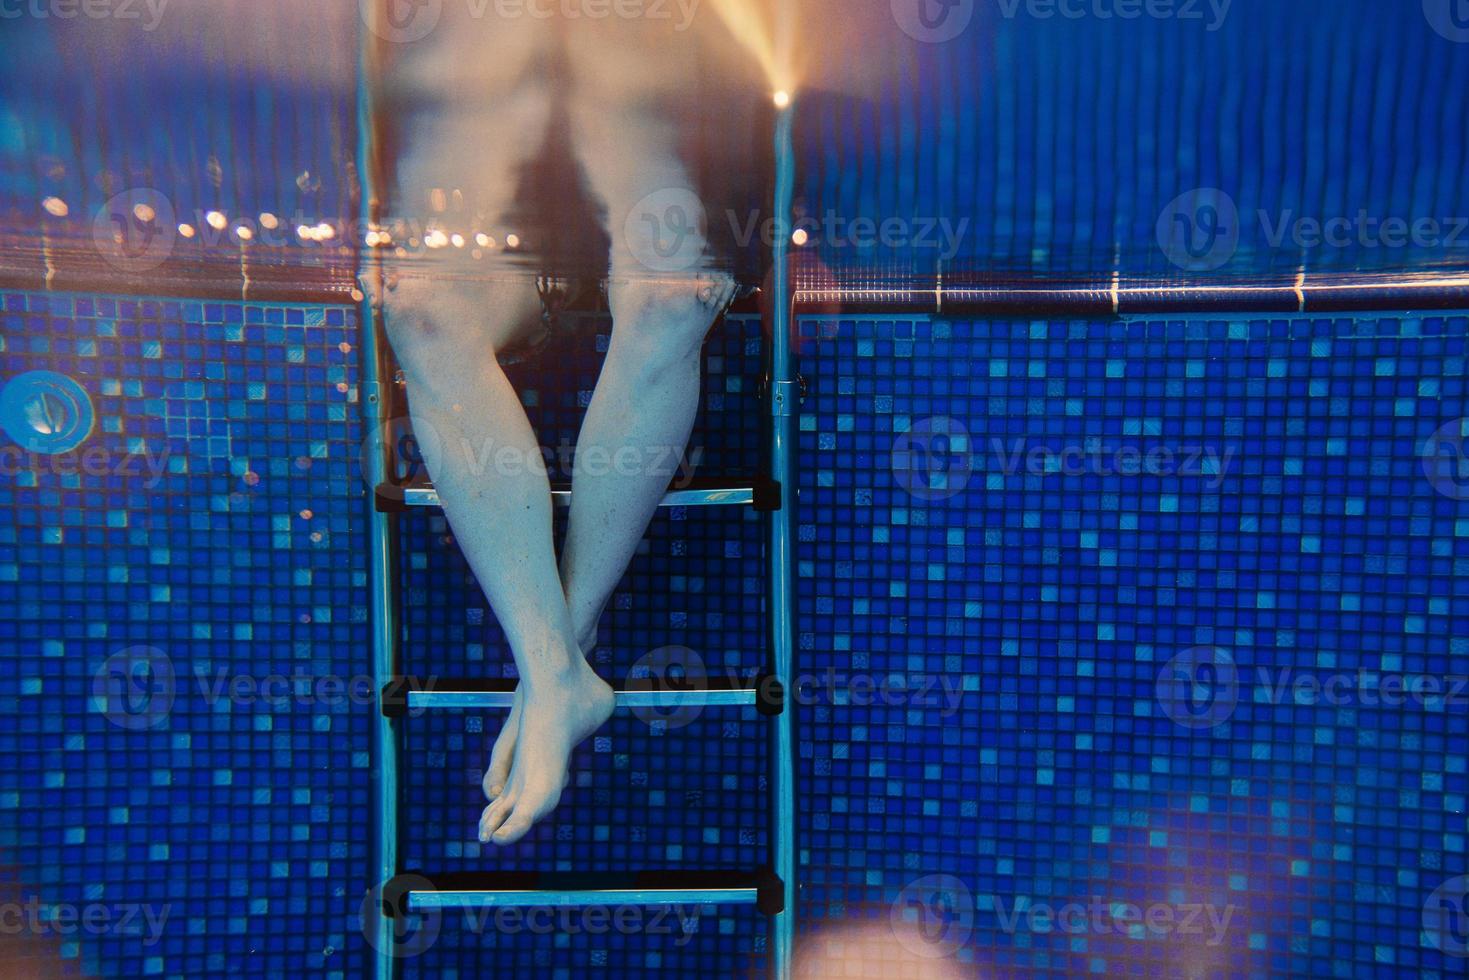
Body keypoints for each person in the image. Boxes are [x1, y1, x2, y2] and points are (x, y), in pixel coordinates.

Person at [364, 5, 740, 845]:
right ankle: (555, 674)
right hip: (499, 238)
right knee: (419, 308)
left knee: (669, 302)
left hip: (644, 200)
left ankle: (556, 674)